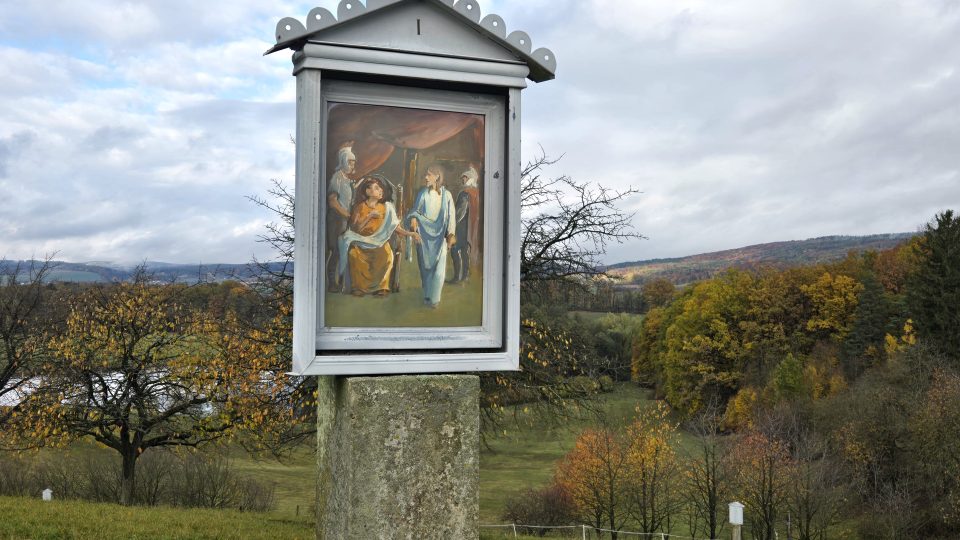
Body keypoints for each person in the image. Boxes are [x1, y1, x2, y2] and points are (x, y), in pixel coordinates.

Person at [337, 175, 419, 297]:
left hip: (378, 242)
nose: (376, 190)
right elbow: (355, 229)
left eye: (378, 188)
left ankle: (382, 287)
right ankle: (359, 288)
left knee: (387, 254)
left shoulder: (387, 207)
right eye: (372, 188)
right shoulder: (360, 207)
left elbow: (396, 227)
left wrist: (410, 233)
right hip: (361, 242)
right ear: (367, 191)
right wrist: (369, 217)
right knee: (354, 254)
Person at [406, 164, 457, 307]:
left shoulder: (447, 195)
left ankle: (435, 299)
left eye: (429, 174)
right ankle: (427, 295)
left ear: (437, 176)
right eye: (425, 175)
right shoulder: (423, 193)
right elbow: (415, 211)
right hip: (424, 235)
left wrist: (451, 233)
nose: (426, 177)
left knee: (440, 269)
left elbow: (451, 216)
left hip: (441, 236)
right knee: (425, 268)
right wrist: (414, 218)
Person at [326, 142, 356, 293]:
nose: (352, 165)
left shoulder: (346, 179)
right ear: (343, 161)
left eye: (353, 163)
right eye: (350, 162)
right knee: (336, 252)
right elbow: (333, 202)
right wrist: (347, 214)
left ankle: (341, 283)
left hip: (345, 220)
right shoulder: (337, 178)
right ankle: (332, 283)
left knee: (343, 251)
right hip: (337, 221)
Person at [451, 165, 480, 283]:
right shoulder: (476, 193)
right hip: (471, 227)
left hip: (461, 227)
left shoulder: (465, 193)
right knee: (465, 251)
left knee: (455, 250)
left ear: (470, 179)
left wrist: (451, 224)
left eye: (465, 178)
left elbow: (459, 213)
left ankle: (457, 277)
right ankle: (465, 276)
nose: (462, 180)